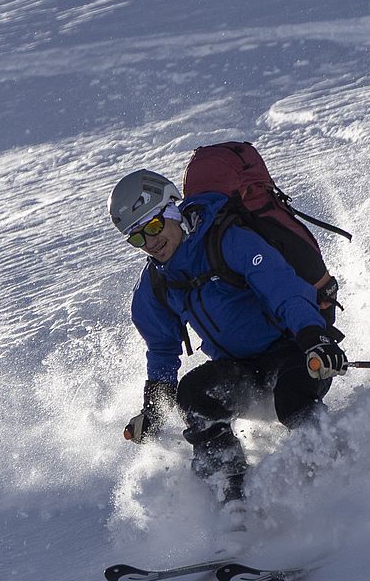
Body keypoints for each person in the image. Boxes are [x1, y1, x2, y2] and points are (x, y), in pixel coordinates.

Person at [108, 168, 348, 521]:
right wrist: (154, 410)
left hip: (296, 352)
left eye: (154, 226)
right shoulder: (154, 288)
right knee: (194, 393)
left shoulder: (228, 240)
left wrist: (316, 339)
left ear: (173, 208)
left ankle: (335, 475)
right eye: (137, 238)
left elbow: (285, 291)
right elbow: (162, 351)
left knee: (293, 400)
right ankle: (232, 496)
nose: (150, 242)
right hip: (241, 371)